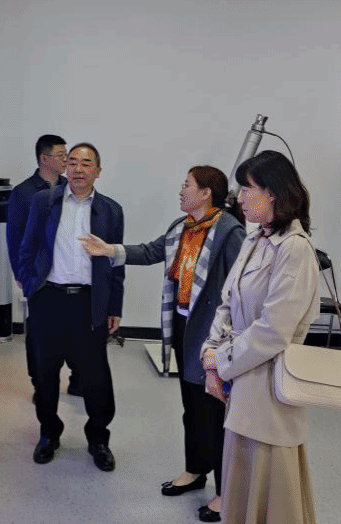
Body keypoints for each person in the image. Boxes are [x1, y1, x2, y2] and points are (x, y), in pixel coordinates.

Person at [81, 166, 245, 523]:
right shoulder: (182, 227)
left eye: (187, 185)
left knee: (213, 412)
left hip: (213, 333)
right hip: (185, 326)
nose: (181, 190)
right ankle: (195, 469)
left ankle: (225, 492)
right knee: (192, 407)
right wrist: (108, 250)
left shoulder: (229, 231)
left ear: (206, 193)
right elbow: (151, 251)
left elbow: (239, 289)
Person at [201, 150, 320, 524]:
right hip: (243, 379)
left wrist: (221, 362)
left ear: (272, 193)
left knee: (270, 486)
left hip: (269, 386)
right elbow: (226, 302)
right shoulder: (254, 240)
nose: (239, 197)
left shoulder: (295, 249)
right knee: (240, 480)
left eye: (246, 188)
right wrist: (210, 355)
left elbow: (274, 330)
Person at [17, 143, 124, 471]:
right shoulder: (44, 201)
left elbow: (116, 263)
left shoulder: (110, 210)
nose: (78, 169)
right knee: (45, 374)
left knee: (95, 377)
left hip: (88, 304)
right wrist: (31, 287)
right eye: (73, 162)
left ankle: (98, 439)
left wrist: (114, 306)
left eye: (86, 163)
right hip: (49, 299)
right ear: (65, 168)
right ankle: (49, 434)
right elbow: (27, 247)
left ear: (98, 171)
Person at [5, 135, 81, 397]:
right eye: (61, 155)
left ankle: (77, 378)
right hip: (38, 276)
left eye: (66, 155)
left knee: (74, 330)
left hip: (69, 274)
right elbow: (14, 238)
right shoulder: (24, 193)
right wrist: (22, 274)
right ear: (44, 159)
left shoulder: (71, 188)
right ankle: (40, 384)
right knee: (39, 335)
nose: (66, 160)